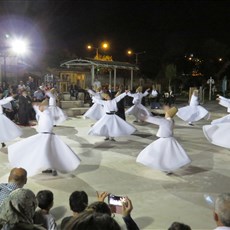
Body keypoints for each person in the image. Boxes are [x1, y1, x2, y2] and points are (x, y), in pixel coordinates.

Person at [8, 99, 81, 177]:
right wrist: (36, 105)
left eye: (41, 106)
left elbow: (46, 119)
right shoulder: (42, 112)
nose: (39, 107)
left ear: (45, 107)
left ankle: (52, 168)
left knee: (49, 152)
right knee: (46, 153)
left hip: (47, 136)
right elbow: (37, 109)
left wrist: (39, 105)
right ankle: (49, 168)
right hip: (43, 135)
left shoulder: (47, 113)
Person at [136, 107, 191, 174]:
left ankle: (163, 166)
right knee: (167, 154)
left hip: (165, 140)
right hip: (169, 139)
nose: (165, 114)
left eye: (166, 113)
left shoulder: (165, 121)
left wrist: (145, 118)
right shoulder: (171, 121)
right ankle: (166, 167)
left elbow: (155, 120)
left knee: (154, 152)